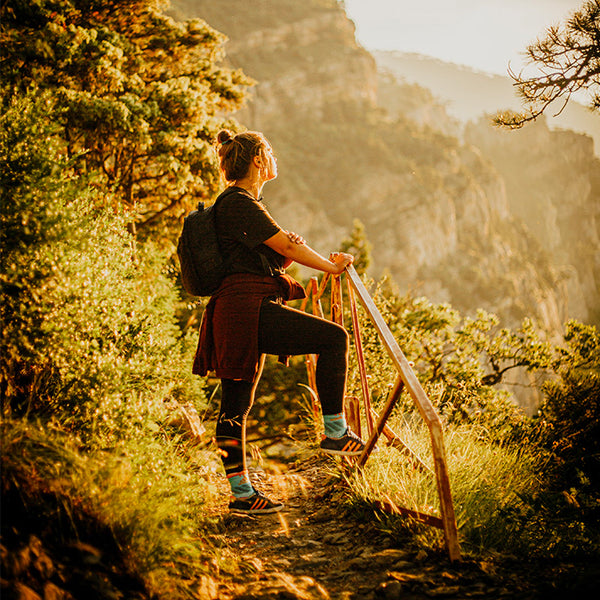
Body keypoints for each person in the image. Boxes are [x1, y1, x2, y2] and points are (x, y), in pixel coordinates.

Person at [193, 129, 365, 515]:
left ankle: (241, 495)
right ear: (257, 159)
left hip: (239, 308)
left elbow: (268, 254)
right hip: (245, 308)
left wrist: (283, 259)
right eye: (269, 152)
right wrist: (332, 266)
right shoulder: (238, 202)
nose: (274, 158)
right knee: (334, 339)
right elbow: (288, 246)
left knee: (237, 402)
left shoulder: (238, 204)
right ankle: (336, 432)